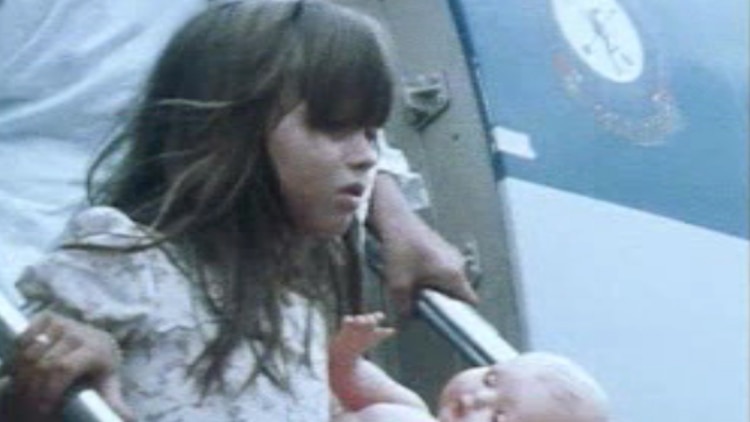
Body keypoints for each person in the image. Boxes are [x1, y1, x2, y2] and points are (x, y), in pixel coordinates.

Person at [0, 1, 475, 420]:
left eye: (371, 132)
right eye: (333, 127)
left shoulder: (299, 314)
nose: (367, 156)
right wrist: (47, 381)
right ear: (227, 129)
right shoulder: (121, 266)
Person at [330, 313, 610, 422]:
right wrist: (349, 348)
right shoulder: (407, 407)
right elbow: (342, 374)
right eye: (490, 380)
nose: (478, 398)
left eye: (497, 418)